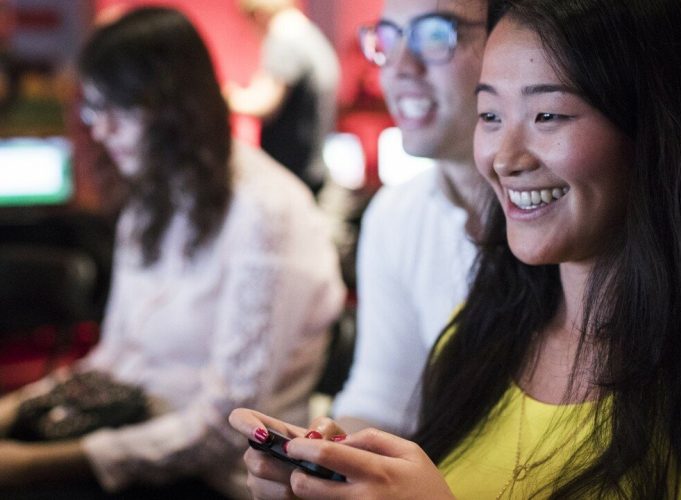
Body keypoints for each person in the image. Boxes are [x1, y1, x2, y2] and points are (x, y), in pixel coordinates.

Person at [230, 0, 681, 498]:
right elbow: (385, 403)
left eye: (548, 116)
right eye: (490, 116)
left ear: (660, 126)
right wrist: (331, 468)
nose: (504, 159)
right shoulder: (478, 332)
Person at [0, 7, 344, 498]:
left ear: (172, 107)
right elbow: (115, 360)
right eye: (94, 110)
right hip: (130, 437)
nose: (100, 130)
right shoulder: (152, 200)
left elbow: (223, 431)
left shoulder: (268, 212)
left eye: (114, 110)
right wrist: (11, 410)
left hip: (223, 479)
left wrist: (31, 465)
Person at [331, 0, 490, 436]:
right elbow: (383, 400)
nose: (399, 67)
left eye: (435, 35)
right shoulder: (396, 213)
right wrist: (321, 457)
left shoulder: (570, 208)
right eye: (387, 39)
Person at [225, 0, 339, 194]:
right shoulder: (308, 33)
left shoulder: (284, 37)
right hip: (311, 167)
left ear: (258, 15)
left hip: (292, 172)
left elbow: (265, 103)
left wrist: (225, 98)